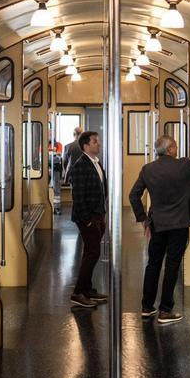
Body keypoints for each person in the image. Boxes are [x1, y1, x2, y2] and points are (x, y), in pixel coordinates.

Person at [129, 135, 190, 324]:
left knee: (153, 263)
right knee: (172, 265)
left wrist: (144, 219)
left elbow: (133, 195)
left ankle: (147, 306)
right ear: (170, 149)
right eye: (175, 146)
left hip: (157, 224)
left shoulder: (148, 169)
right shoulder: (184, 166)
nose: (177, 148)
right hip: (179, 225)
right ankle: (165, 310)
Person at [68, 131, 109, 308]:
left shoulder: (96, 162)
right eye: (95, 142)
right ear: (86, 146)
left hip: (98, 214)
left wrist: (101, 215)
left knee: (90, 253)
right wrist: (88, 220)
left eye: (98, 142)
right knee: (93, 252)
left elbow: (101, 188)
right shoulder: (80, 166)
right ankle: (78, 293)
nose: (98, 144)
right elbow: (78, 196)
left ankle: (87, 289)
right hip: (88, 217)